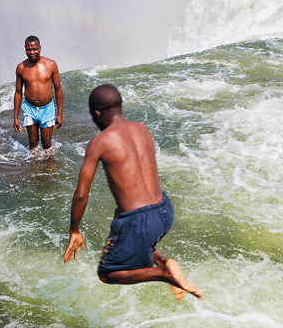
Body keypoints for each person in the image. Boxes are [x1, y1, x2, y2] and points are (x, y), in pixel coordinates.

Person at [64, 84, 201, 300]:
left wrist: (74, 230)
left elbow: (81, 194)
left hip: (140, 220)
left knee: (108, 273)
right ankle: (165, 263)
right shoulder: (142, 128)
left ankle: (165, 274)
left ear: (97, 114)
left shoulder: (99, 142)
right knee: (130, 229)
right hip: (164, 211)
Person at [13, 35, 63, 151]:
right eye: (28, 49)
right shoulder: (21, 68)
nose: (32, 52)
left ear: (40, 48)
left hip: (47, 109)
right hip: (29, 109)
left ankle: (50, 167)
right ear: (25, 49)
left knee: (46, 144)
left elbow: (58, 89)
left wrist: (60, 114)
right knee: (33, 144)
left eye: (34, 49)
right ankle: (34, 168)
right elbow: (18, 92)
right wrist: (15, 117)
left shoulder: (51, 65)